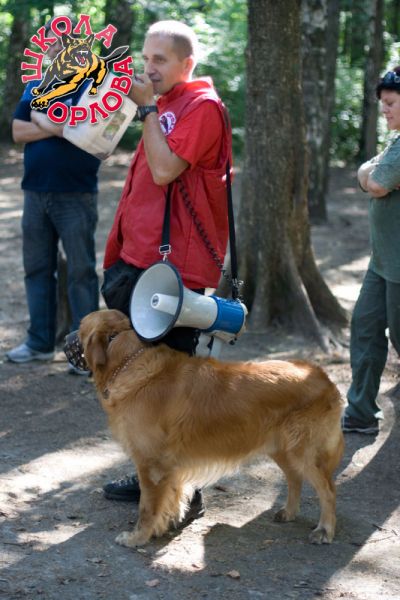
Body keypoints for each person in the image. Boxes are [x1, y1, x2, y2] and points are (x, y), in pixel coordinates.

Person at [101, 20, 232, 525]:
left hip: (174, 269)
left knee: (172, 385)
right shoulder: (167, 104)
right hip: (138, 260)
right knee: (143, 381)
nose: (148, 68)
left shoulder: (201, 107)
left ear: (186, 64)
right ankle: (149, 475)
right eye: (145, 58)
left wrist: (147, 110)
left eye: (160, 60)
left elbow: (163, 170)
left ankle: (184, 491)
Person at [6, 18, 100, 373]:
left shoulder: (93, 87)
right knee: (37, 269)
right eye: (51, 44)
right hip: (35, 192)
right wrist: (56, 126)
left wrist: (44, 121)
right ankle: (40, 343)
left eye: (63, 43)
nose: (55, 49)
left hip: (76, 194)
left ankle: (85, 352)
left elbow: (81, 129)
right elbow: (18, 131)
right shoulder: (37, 84)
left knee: (81, 272)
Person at [342, 67, 400, 434]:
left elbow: (376, 182)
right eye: (383, 105)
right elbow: (370, 173)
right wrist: (371, 174)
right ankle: (361, 412)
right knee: (365, 328)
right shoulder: (396, 141)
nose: (385, 111)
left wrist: (371, 176)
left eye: (391, 103)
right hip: (382, 262)